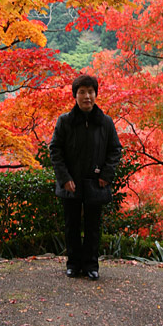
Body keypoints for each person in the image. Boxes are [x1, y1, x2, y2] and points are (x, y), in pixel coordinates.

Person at [49, 74, 121, 280]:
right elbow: (55, 150)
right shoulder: (65, 121)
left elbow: (115, 150)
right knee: (71, 224)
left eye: (90, 92)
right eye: (82, 92)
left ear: (96, 94)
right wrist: (64, 178)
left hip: (96, 181)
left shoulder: (105, 122)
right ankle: (73, 264)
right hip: (70, 181)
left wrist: (107, 174)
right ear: (75, 95)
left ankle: (91, 265)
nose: (87, 96)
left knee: (93, 226)